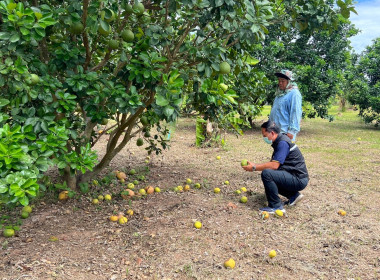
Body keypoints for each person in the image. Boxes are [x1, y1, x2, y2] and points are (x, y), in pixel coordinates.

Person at [241, 120, 309, 214]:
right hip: (297, 176)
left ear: (272, 133)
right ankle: (294, 196)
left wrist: (254, 167)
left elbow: (274, 165)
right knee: (271, 174)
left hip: (298, 179)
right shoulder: (280, 140)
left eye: (265, 135)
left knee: (267, 174)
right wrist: (255, 166)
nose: (264, 138)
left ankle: (275, 206)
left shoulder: (282, 143)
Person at [269, 69, 302, 141]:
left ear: (289, 82)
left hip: (285, 133)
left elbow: (295, 113)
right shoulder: (279, 94)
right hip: (276, 132)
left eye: (283, 81)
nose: (280, 83)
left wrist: (291, 131)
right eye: (279, 80)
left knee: (284, 151)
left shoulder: (294, 94)